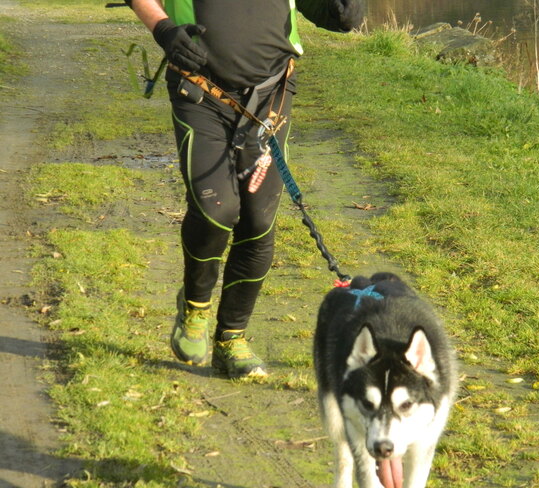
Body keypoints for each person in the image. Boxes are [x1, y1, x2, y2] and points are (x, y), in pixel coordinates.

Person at [125, 0, 363, 378]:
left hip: (272, 94)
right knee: (216, 210)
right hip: (199, 89)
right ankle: (195, 308)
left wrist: (343, 10)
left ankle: (231, 338)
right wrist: (165, 30)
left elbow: (323, 11)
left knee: (257, 219)